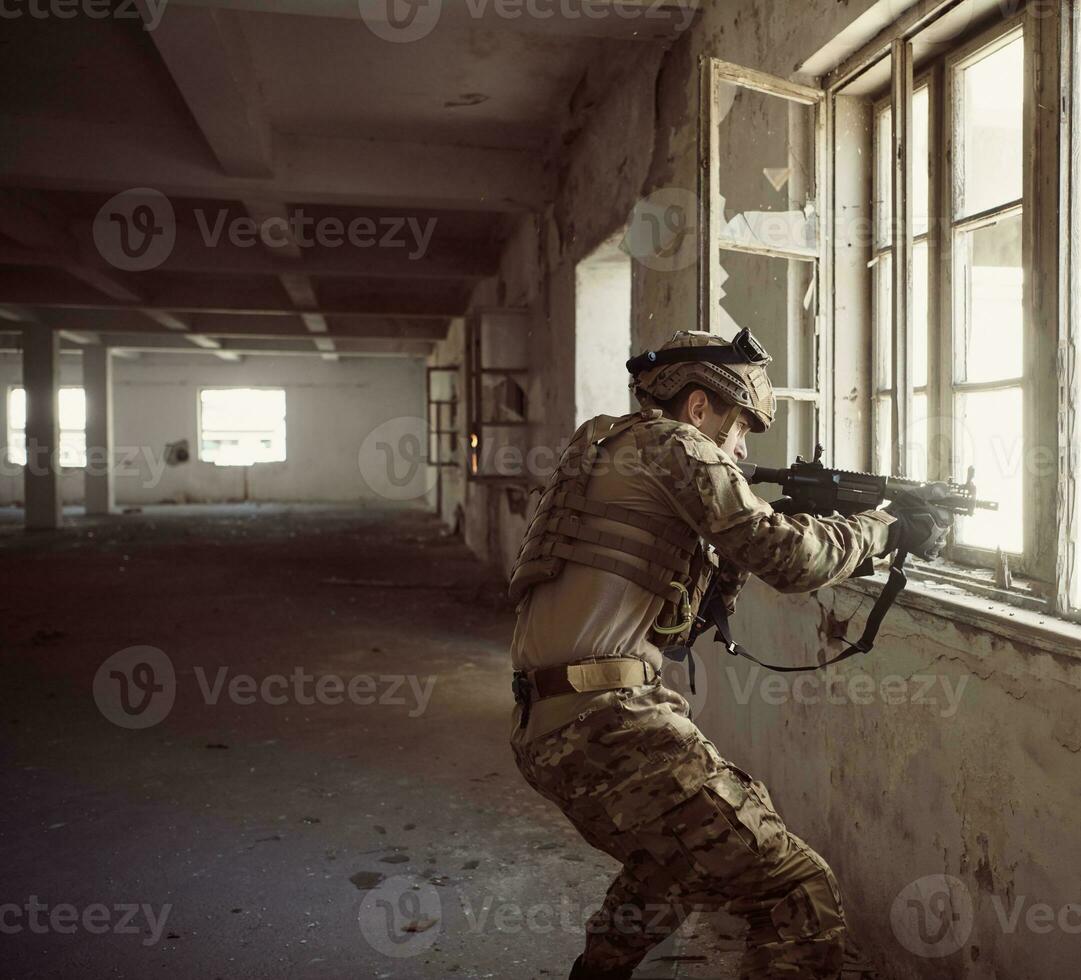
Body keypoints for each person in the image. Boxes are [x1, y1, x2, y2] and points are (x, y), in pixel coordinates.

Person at [507, 328, 953, 979]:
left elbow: (680, 621)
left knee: (675, 863)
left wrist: (776, 515)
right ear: (697, 408)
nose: (741, 449)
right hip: (604, 722)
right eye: (739, 428)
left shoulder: (606, 446)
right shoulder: (677, 445)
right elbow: (789, 560)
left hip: (552, 721)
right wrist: (885, 529)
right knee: (797, 890)